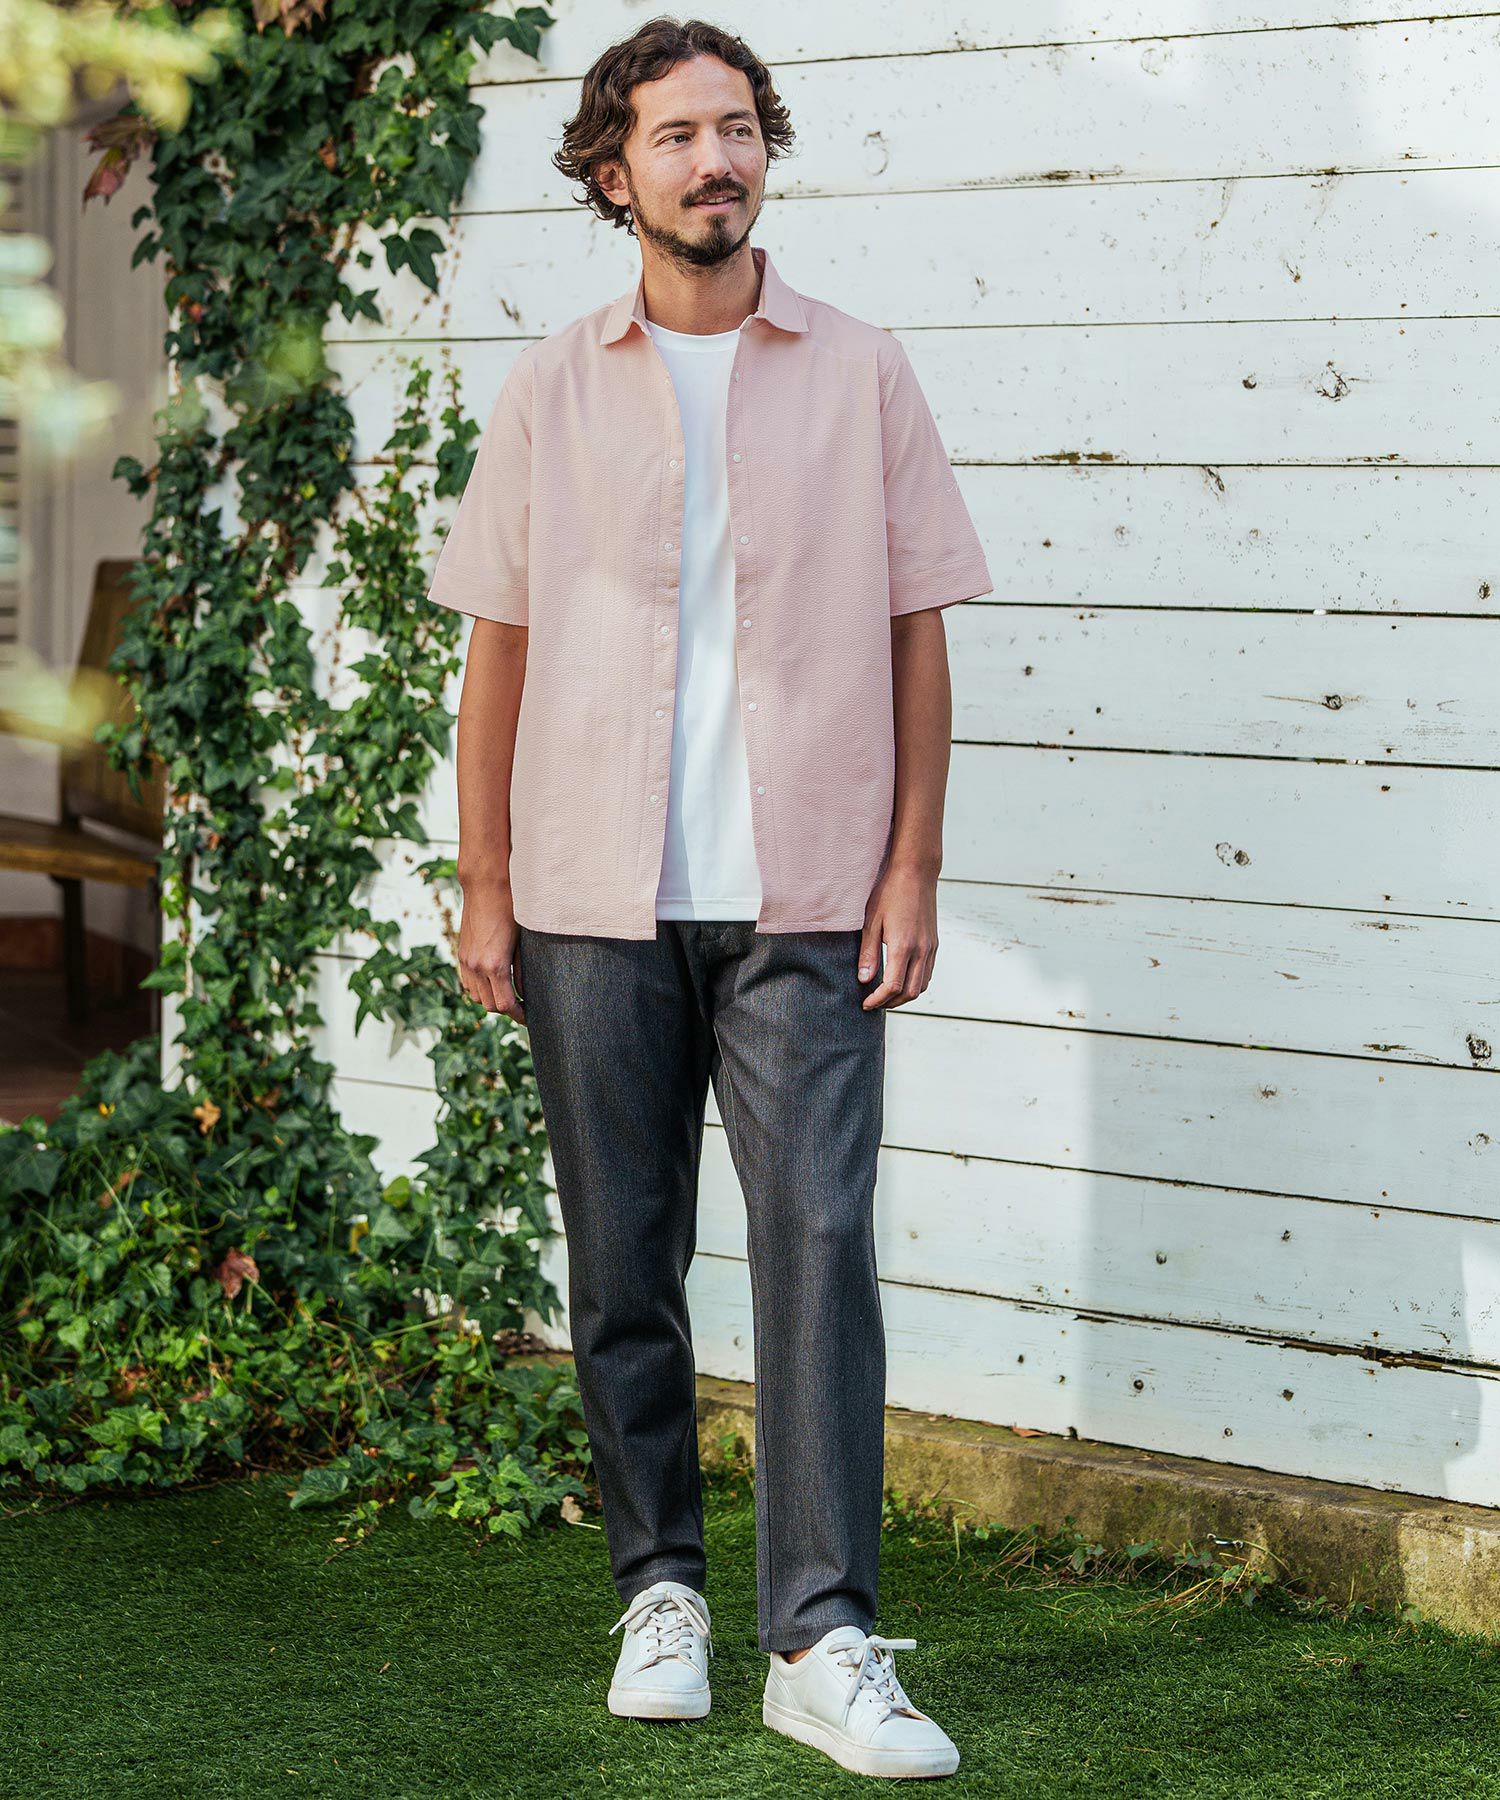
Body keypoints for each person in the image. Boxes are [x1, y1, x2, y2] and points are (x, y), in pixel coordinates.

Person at [426, 15, 992, 1782]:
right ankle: (658, 1592)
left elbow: (917, 631)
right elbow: (498, 647)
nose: (713, 158)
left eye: (736, 127)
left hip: (808, 893)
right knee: (623, 1260)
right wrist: (487, 881)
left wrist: (912, 862)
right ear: (615, 173)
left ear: (767, 152)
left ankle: (819, 1640)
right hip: (593, 894)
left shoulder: (863, 371)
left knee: (819, 1241)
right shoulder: (552, 385)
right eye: (674, 135)